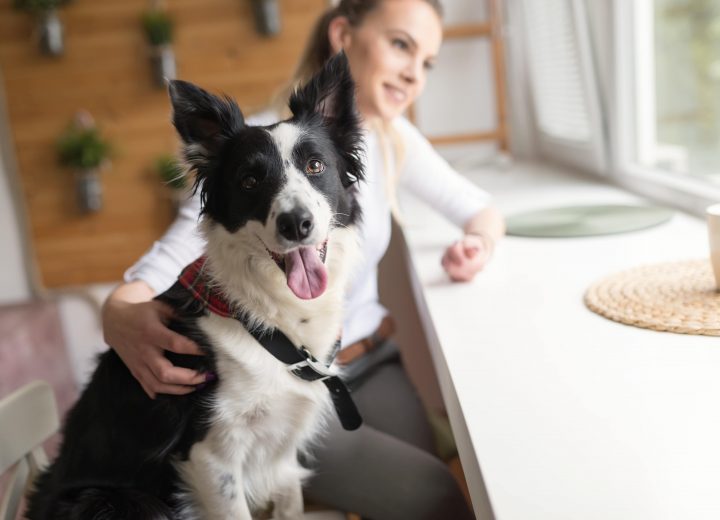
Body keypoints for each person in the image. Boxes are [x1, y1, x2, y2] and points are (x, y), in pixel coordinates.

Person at [102, 0, 505, 517]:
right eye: (401, 44)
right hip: (289, 386)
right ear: (343, 36)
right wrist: (117, 310)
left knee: (445, 477)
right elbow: (175, 255)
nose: (413, 72)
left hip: (374, 359)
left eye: (426, 61)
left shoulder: (388, 137)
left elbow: (480, 209)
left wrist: (478, 246)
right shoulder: (260, 153)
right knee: (438, 496)